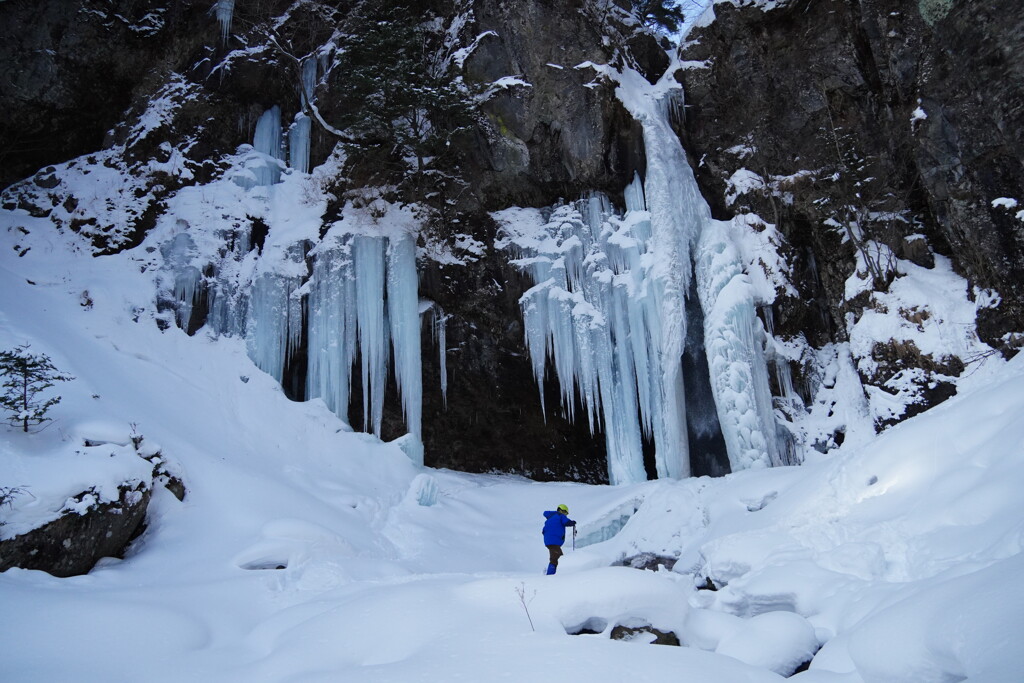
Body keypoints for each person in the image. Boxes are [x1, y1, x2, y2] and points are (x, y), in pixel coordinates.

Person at [542, 504, 576, 575]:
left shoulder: (550, 518)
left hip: (548, 541)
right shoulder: (560, 516)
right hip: (554, 541)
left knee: (556, 557)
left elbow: (544, 530)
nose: (566, 515)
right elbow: (566, 522)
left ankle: (552, 573)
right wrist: (572, 522)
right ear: (562, 510)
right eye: (566, 513)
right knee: (557, 558)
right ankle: (551, 575)